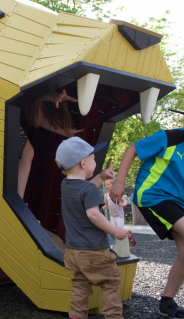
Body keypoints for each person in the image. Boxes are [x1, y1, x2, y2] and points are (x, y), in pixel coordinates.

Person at [110, 94, 184, 319]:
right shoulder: (170, 138)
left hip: (177, 202)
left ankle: (166, 301)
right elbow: (133, 149)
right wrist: (119, 183)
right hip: (153, 195)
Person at [56, 137, 127, 319]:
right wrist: (115, 231)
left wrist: (101, 177)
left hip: (73, 252)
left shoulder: (66, 185)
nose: (95, 162)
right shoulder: (87, 190)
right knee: (110, 283)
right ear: (83, 163)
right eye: (93, 159)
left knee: (80, 286)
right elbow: (93, 214)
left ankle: (76, 316)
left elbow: (86, 189)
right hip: (94, 250)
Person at [18, 90, 83, 198]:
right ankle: (16, 200)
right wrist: (54, 96)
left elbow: (37, 117)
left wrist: (65, 132)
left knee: (27, 152)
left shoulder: (34, 105)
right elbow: (28, 89)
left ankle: (17, 199)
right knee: (27, 152)